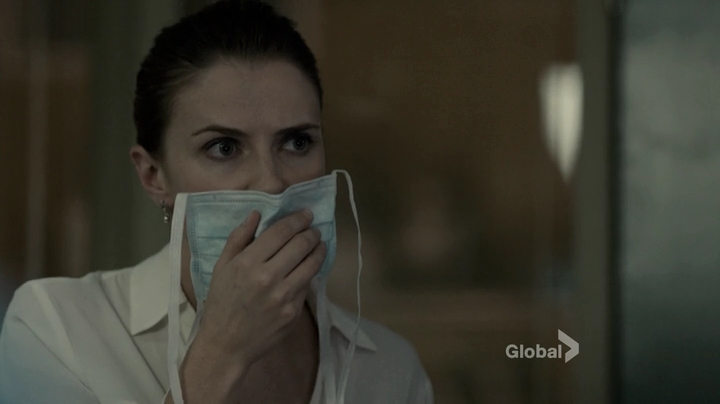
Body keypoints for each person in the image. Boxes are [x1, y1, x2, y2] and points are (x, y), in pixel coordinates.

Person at [0, 1, 433, 403]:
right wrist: (222, 352)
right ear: (153, 176)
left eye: (297, 142)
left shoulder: (391, 370)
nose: (272, 182)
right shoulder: (58, 330)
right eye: (223, 147)